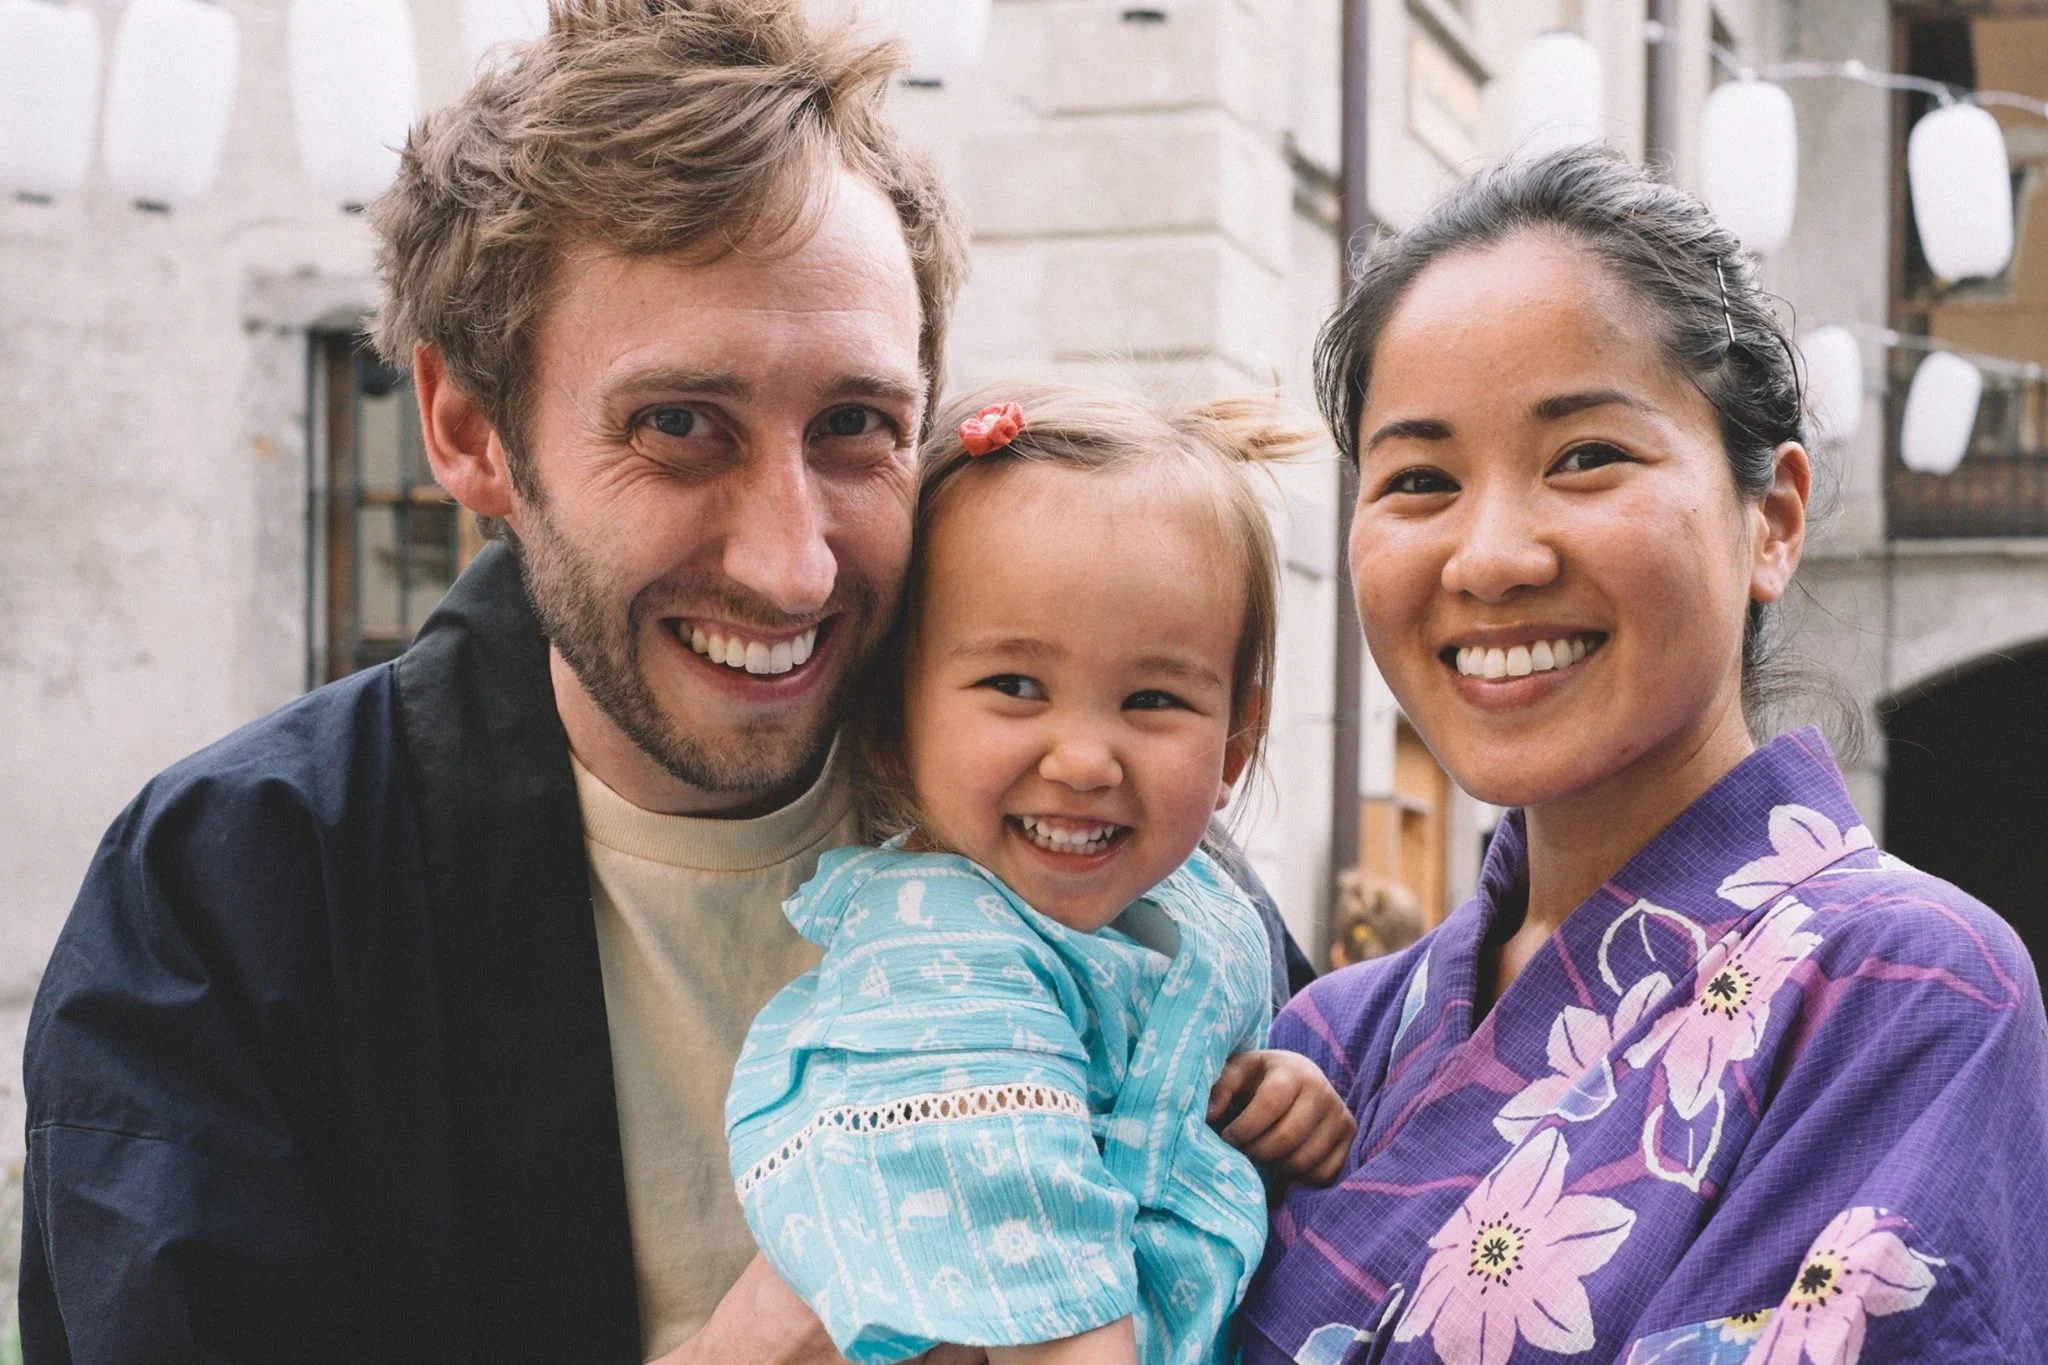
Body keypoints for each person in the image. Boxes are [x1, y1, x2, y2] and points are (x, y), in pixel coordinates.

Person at [17, 5, 1313, 1362]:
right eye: (679, 426)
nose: (793, 564)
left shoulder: (1114, 853)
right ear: (472, 432)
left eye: (856, 428)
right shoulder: (242, 893)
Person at [1237, 146, 2048, 1365]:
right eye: (1417, 480)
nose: (1489, 557)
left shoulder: (1907, 992)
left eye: (1584, 458)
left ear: (1768, 518)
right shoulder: (1323, 1043)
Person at [724, 387, 1356, 1365]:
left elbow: (1168, 1087)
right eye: (1015, 687)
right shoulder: (936, 951)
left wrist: (1262, 1088)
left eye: (1150, 698)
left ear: (1236, 741)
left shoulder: (1189, 914)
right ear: (893, 722)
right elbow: (1056, 1320)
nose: (1084, 760)